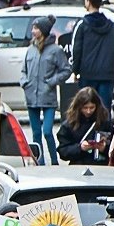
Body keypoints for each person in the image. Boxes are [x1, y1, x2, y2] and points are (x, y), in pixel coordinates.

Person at [18, 16, 68, 164]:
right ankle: (39, 162)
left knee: (47, 131)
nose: (33, 31)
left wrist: (52, 82)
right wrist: (24, 82)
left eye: (36, 28)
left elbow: (66, 70)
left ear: (43, 31)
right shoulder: (30, 49)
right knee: (36, 133)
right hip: (31, 96)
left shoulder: (55, 50)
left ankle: (54, 161)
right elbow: (23, 70)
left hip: (48, 97)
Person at [68, 0, 114, 110]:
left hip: (88, 73)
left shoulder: (82, 25)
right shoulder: (111, 26)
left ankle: (88, 129)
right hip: (107, 74)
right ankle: (103, 129)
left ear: (88, 2)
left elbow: (76, 50)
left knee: (86, 107)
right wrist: (109, 61)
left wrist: (75, 71)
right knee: (104, 108)